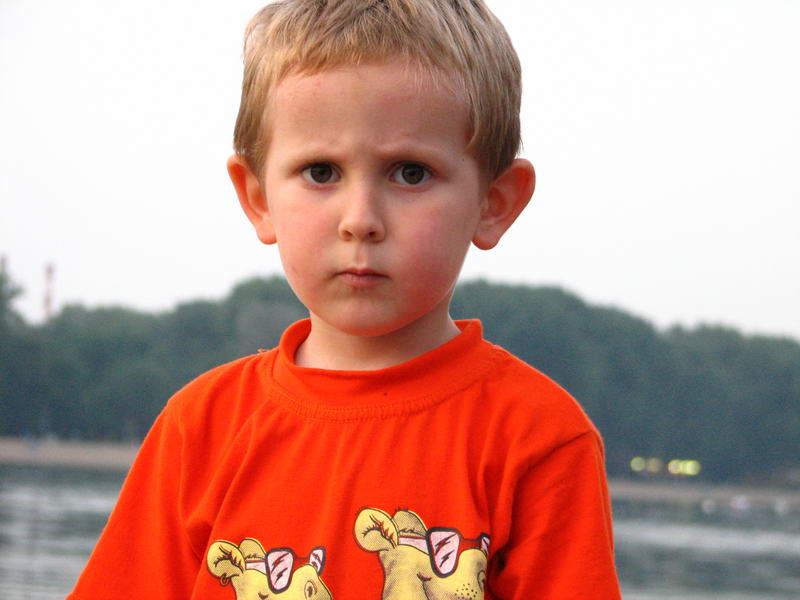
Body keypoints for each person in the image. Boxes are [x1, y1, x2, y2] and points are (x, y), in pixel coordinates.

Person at [69, 1, 621, 598]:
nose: (360, 220)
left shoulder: (539, 438)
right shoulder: (199, 429)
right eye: (321, 172)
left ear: (494, 203)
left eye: (410, 173)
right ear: (258, 198)